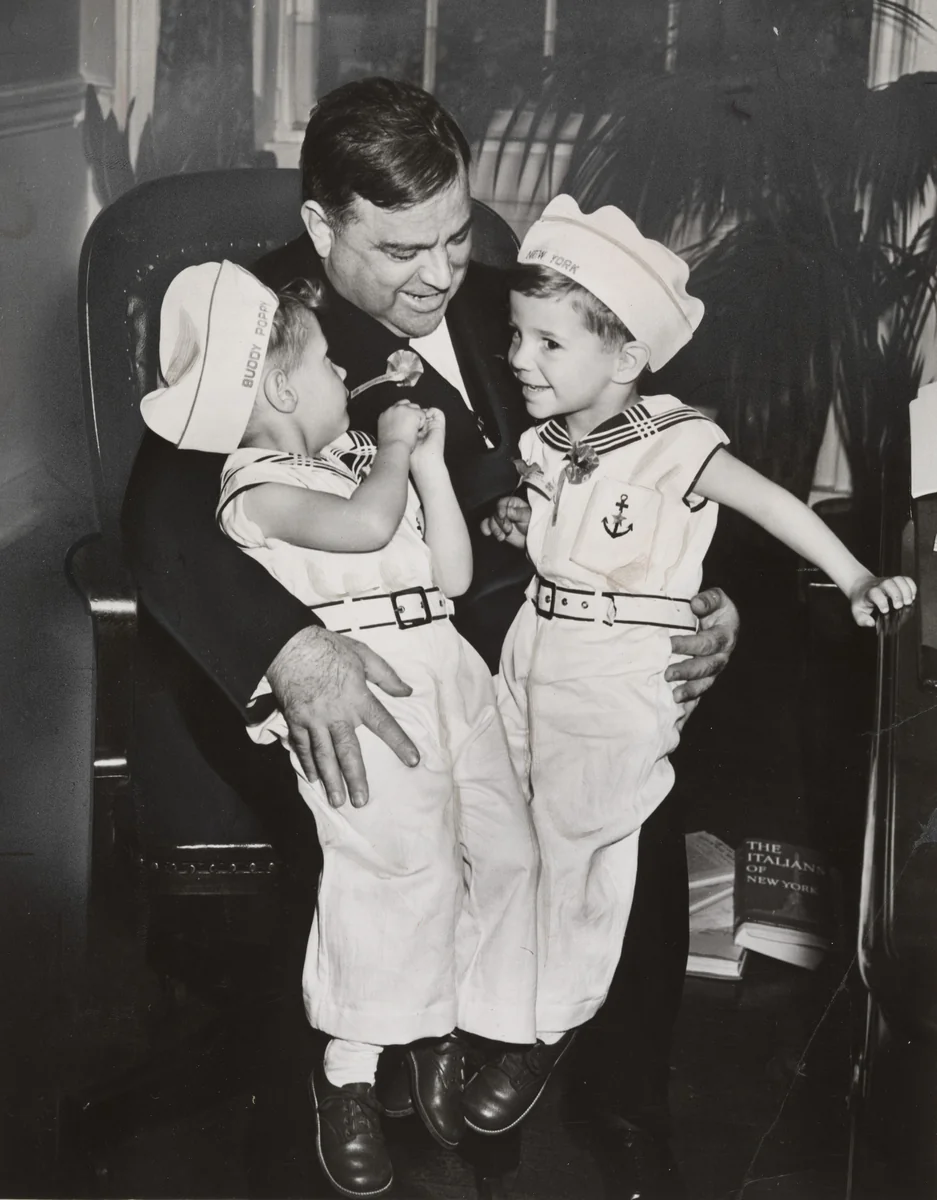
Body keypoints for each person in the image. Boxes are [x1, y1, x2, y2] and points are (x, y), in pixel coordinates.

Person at [121, 77, 739, 1192]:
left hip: (529, 638)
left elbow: (669, 453)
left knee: (627, 798)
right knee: (408, 829)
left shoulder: (525, 299)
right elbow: (162, 515)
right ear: (322, 227)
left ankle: (622, 1107)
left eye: (456, 236)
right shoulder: (267, 329)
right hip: (348, 658)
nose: (442, 273)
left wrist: (709, 595)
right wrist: (289, 653)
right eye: (403, 248)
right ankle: (370, 1078)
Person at [462, 195, 916, 1146]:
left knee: (583, 852)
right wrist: (520, 522)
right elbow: (555, 534)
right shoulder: (545, 446)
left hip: (616, 671)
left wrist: (854, 576)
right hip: (533, 655)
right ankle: (498, 1011)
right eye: (516, 336)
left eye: (548, 344)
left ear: (624, 359)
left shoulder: (675, 444)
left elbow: (775, 504)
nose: (518, 360)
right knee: (502, 830)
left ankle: (545, 1030)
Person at [139, 262, 540, 1199]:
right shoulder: (253, 486)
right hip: (362, 692)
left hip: (446, 668)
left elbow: (444, 576)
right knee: (395, 867)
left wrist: (430, 465)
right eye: (325, 364)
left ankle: (452, 1026)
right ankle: (350, 1071)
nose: (342, 378)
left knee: (504, 850)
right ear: (280, 387)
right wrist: (397, 454)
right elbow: (364, 530)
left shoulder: (357, 460)